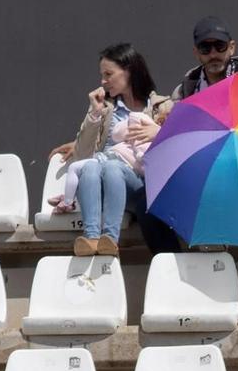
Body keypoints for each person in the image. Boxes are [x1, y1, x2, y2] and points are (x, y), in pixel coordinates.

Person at [46, 43, 172, 258]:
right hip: (101, 181)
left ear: (129, 71)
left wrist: (158, 132)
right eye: (101, 75)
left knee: (113, 168)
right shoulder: (103, 107)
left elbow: (175, 149)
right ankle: (92, 238)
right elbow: (83, 155)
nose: (103, 81)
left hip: (139, 181)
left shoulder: (161, 106)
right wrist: (94, 115)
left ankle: (111, 241)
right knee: (94, 167)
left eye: (108, 74)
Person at [172, 15, 238, 100]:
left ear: (231, 48)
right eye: (205, 48)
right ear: (196, 53)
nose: (213, 55)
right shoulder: (183, 94)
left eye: (220, 46)